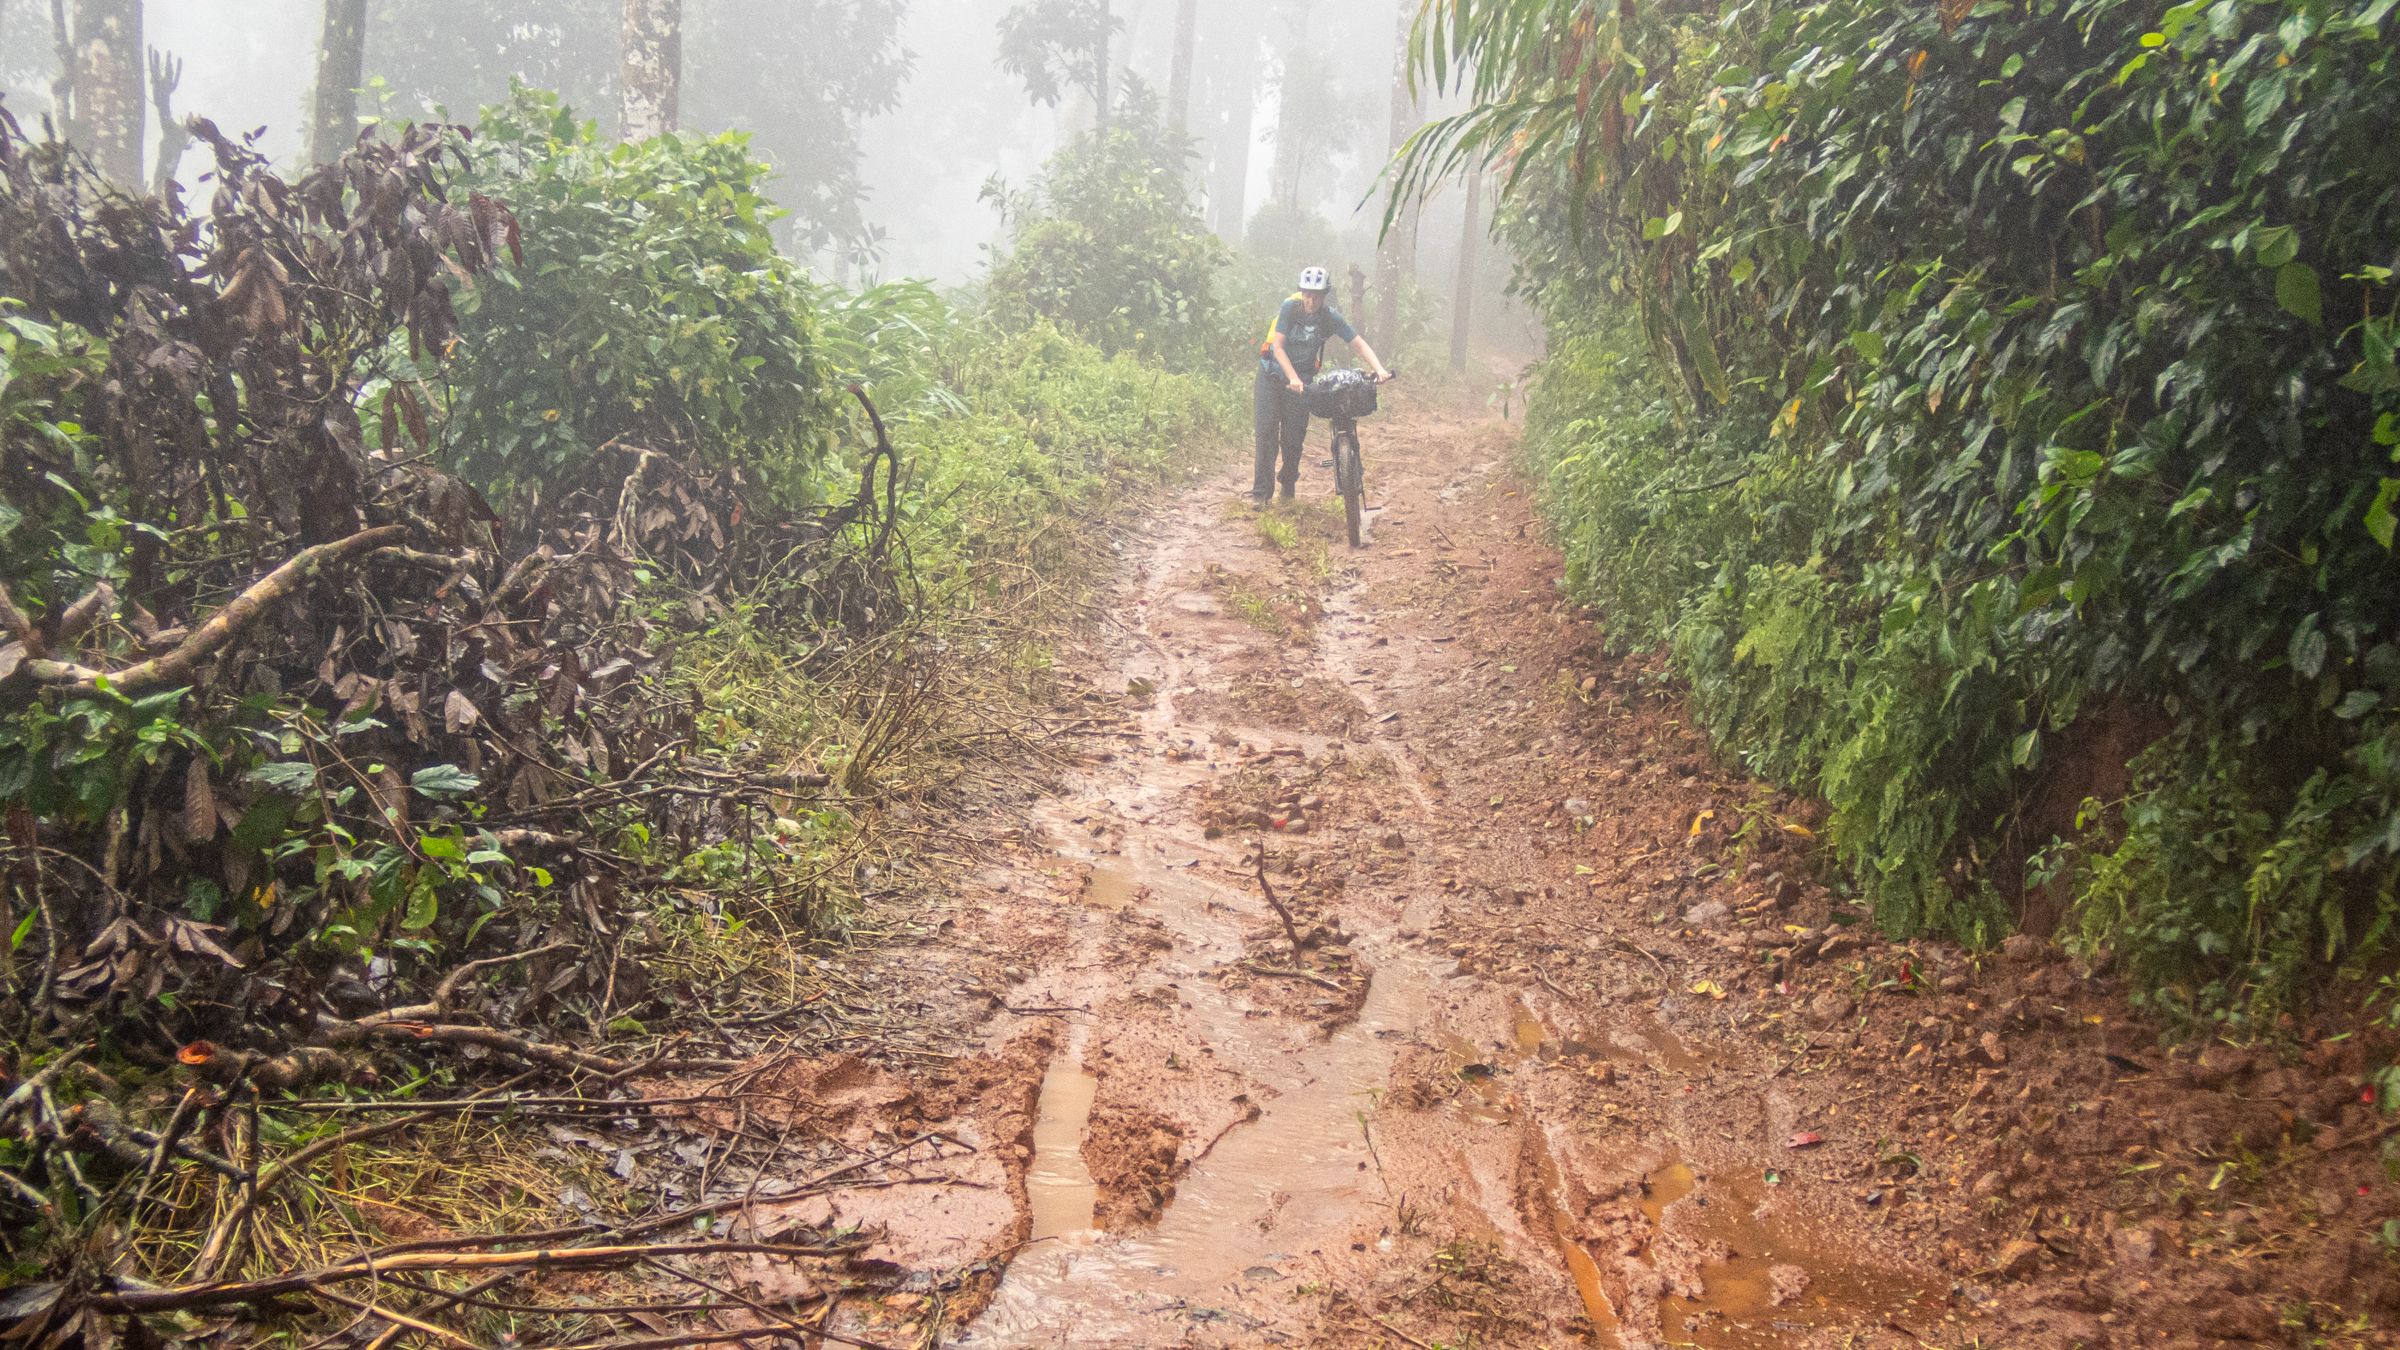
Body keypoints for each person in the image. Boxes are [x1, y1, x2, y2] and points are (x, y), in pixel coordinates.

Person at [1254, 266, 1392, 504]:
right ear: (1301, 293)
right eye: (1307, 294)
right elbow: (1278, 346)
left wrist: (1379, 368)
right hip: (1272, 376)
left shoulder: (1329, 317)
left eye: (1316, 295)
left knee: (1293, 438)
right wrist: (1292, 377)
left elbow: (1357, 343)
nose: (1311, 300)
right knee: (1266, 433)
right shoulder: (1290, 309)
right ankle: (1261, 495)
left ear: (1324, 295)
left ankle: (1288, 485)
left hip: (1302, 383)